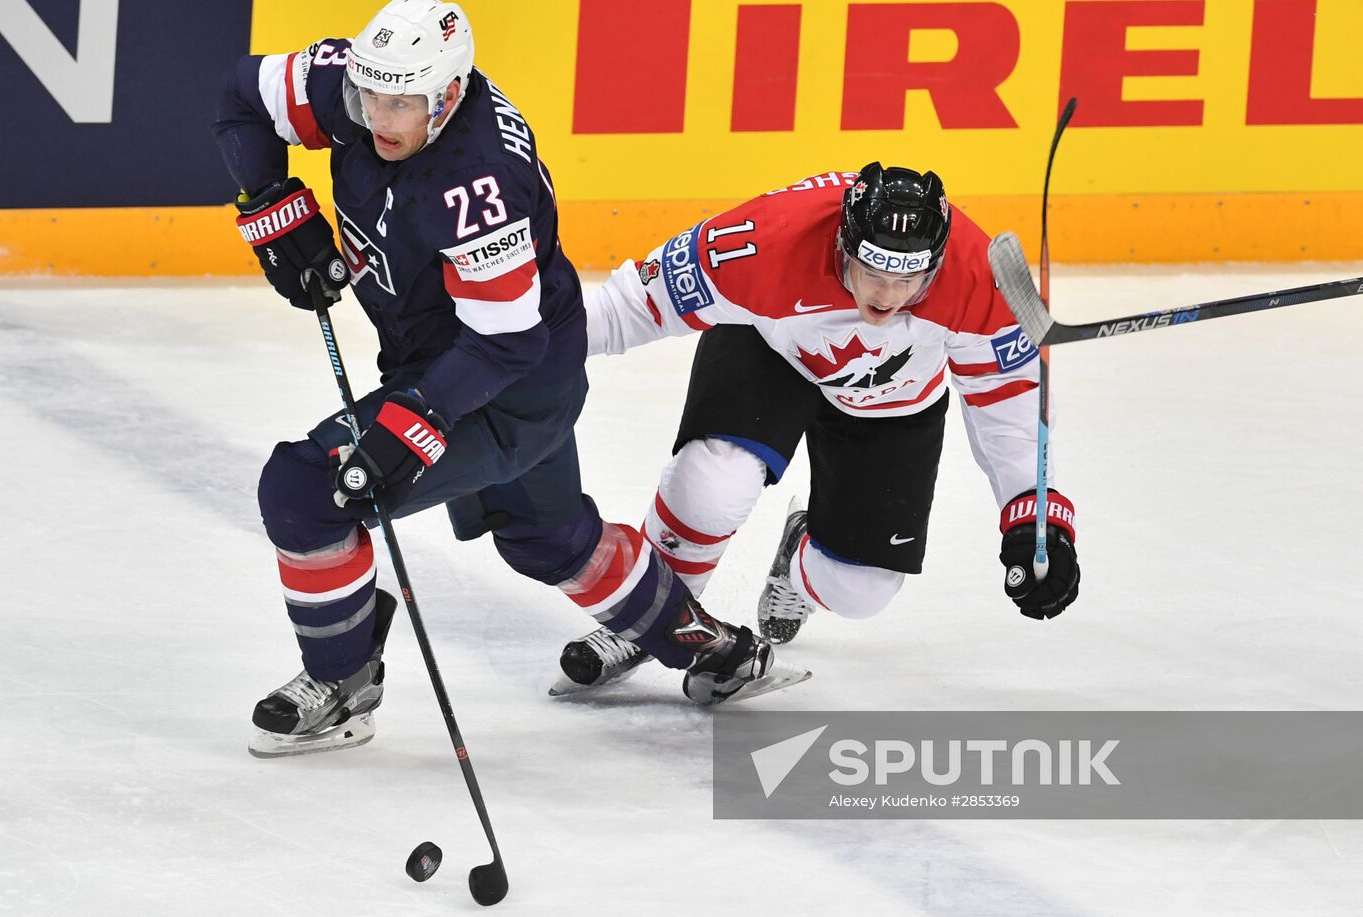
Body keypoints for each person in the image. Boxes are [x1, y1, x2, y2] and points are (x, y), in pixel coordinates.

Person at [211, 0, 798, 756]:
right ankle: (710, 648)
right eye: (367, 97)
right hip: (474, 362)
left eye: (401, 104)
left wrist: (415, 420)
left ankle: (341, 679)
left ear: (449, 97)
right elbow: (240, 97)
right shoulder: (354, 86)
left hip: (508, 388)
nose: (377, 118)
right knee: (546, 537)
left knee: (306, 491)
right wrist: (272, 207)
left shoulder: (477, 181)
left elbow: (504, 342)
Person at [558, 163, 1081, 683]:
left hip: (891, 399)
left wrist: (1035, 517)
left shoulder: (978, 279)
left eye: (908, 280)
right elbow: (628, 306)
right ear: (842, 246)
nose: (888, 296)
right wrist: (519, 352)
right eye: (873, 273)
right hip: (770, 351)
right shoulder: (764, 241)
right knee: (711, 485)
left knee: (859, 591)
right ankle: (645, 622)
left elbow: (1008, 400)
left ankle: (798, 563)